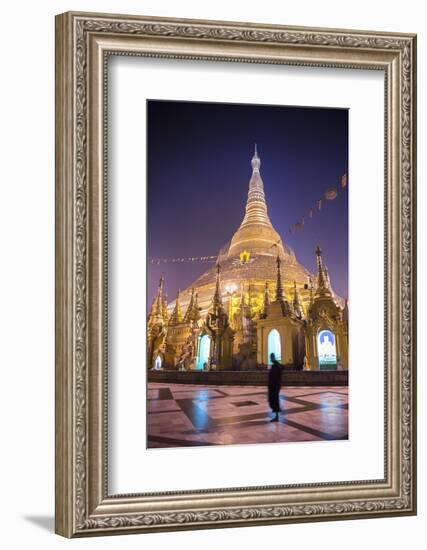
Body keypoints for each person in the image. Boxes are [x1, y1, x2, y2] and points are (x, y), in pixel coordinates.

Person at [268, 353, 283, 422]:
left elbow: (276, 377)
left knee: (275, 400)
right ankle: (276, 416)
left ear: (273, 357)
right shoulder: (275, 365)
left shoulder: (276, 366)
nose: (270, 359)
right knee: (274, 400)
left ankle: (277, 417)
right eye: (270, 357)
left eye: (271, 357)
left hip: (275, 387)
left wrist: (275, 386)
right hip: (274, 386)